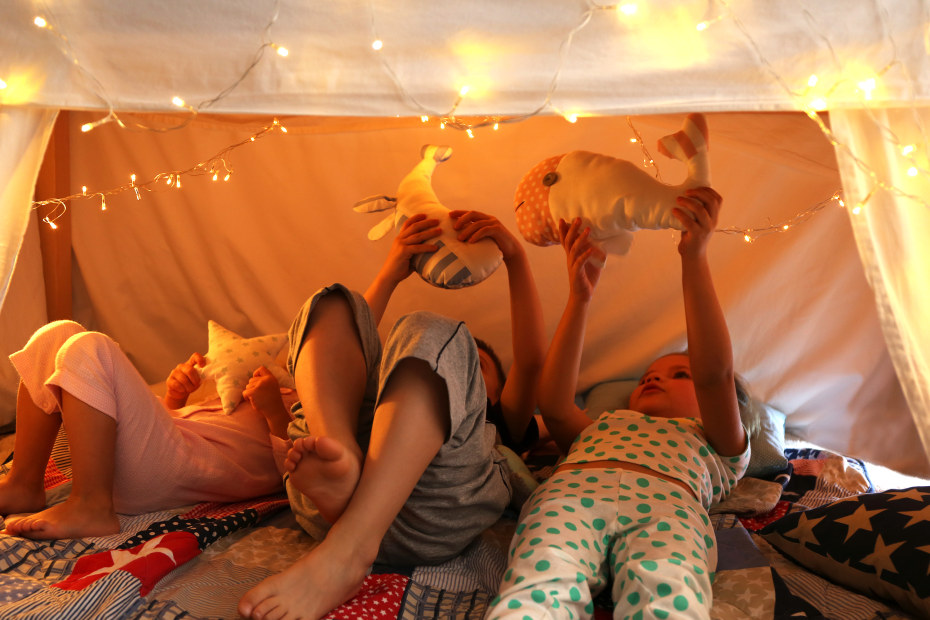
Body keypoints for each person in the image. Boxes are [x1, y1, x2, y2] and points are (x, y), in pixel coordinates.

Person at [238, 210, 547, 620]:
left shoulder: (501, 418)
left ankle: (350, 545)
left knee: (431, 329)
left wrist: (515, 256)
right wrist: (391, 271)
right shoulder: (379, 391)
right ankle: (341, 456)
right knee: (332, 301)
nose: (456, 363)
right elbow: (348, 339)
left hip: (435, 511)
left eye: (475, 366)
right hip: (330, 499)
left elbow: (530, 361)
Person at [487, 187, 750, 619]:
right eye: (649, 375)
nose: (654, 377)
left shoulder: (719, 443)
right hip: (571, 496)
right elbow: (553, 403)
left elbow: (714, 374)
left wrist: (694, 257)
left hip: (668, 508)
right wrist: (580, 297)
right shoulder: (605, 424)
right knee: (539, 582)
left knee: (669, 590)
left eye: (677, 374)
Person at [0, 322, 295, 540]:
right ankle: (24, 484)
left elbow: (300, 477)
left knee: (92, 348)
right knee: (57, 334)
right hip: (155, 455)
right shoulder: (241, 390)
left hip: (179, 469)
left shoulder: (311, 410)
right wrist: (176, 397)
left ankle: (91, 505)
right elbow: (176, 429)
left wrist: (275, 412)